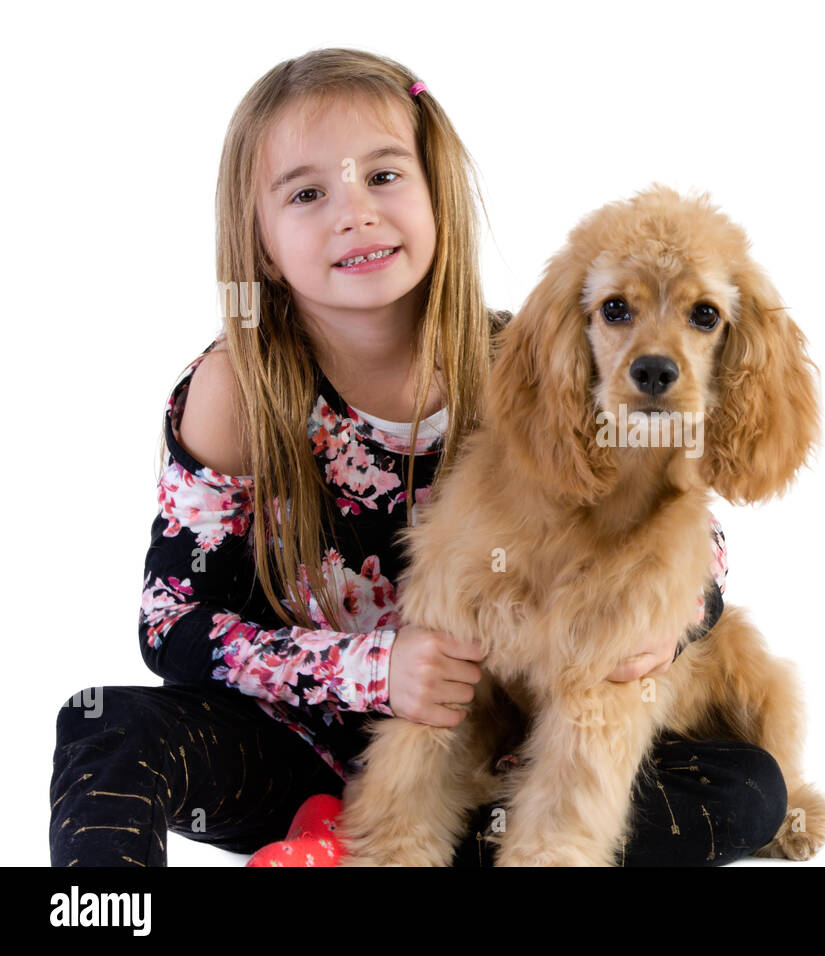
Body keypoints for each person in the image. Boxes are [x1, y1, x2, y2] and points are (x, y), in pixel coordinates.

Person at [49, 47, 786, 867]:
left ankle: (375, 848)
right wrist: (373, 669)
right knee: (103, 722)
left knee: (749, 786)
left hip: (484, 743)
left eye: (385, 177)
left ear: (438, 193)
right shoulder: (238, 387)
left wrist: (677, 623)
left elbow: (681, 520)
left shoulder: (512, 356)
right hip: (296, 743)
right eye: (307, 192)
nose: (355, 213)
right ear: (258, 241)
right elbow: (169, 623)